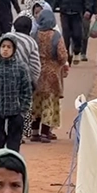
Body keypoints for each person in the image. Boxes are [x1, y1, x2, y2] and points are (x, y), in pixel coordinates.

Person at [0, 34, 32, 153]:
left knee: (13, 147)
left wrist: (23, 111)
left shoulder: (21, 68)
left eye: (9, 47)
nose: (5, 49)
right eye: (3, 46)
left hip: (15, 113)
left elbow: (26, 91)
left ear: (14, 50)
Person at [30, 10, 68, 143]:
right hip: (52, 75)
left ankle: (34, 133)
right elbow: (62, 55)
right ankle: (45, 133)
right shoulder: (56, 36)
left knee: (36, 103)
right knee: (49, 103)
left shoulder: (34, 34)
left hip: (37, 72)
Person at [11, 16, 41, 143]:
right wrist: (34, 81)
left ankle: (9, 132)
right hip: (24, 80)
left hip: (6, 78)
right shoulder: (31, 42)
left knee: (9, 106)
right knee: (23, 108)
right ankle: (22, 134)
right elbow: (35, 65)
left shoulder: (6, 38)